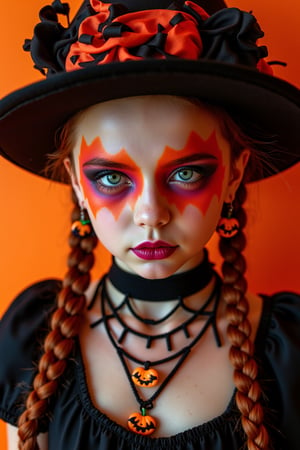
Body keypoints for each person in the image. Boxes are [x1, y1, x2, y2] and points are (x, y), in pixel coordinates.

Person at [0, 0, 299, 449]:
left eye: (186, 173)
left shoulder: (288, 348)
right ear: (77, 185)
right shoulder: (33, 338)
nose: (150, 213)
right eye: (111, 178)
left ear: (235, 175)